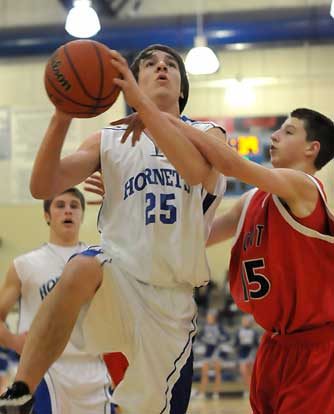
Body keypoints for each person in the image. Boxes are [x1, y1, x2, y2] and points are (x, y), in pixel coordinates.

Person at [0, 44, 226, 414]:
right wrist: (62, 113)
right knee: (79, 267)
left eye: (171, 65)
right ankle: (22, 388)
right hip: (118, 272)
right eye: (150, 64)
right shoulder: (108, 139)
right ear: (131, 81)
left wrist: (144, 107)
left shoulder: (208, 134)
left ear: (183, 89)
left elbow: (195, 171)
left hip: (169, 299)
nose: (161, 68)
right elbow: (43, 186)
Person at [158, 107, 334, 413]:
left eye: (288, 131)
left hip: (317, 349)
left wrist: (169, 120)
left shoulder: (304, 187)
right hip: (274, 346)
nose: (275, 136)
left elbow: (229, 163)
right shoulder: (251, 200)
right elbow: (193, 239)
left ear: (312, 148)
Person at [0, 188, 114, 413]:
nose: (68, 211)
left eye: (74, 206)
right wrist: (14, 341)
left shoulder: (101, 262)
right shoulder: (25, 265)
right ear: (47, 216)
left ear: (82, 214)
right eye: (60, 205)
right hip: (47, 371)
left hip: (96, 370)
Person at [194, 309, 229, 400]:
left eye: (211, 317)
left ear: (214, 318)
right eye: (208, 317)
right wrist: (204, 340)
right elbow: (199, 338)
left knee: (217, 373)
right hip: (208, 353)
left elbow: (226, 337)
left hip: (216, 352)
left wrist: (219, 338)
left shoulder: (219, 327)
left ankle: (216, 392)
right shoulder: (205, 327)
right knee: (204, 373)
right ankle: (202, 393)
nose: (209, 318)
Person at [234, 315, 259, 398]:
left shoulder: (254, 332)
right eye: (243, 321)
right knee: (244, 373)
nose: (245, 322)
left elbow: (257, 344)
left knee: (252, 374)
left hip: (251, 353)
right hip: (242, 354)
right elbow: (236, 344)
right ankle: (247, 390)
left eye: (246, 321)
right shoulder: (239, 331)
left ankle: (254, 391)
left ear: (250, 322)